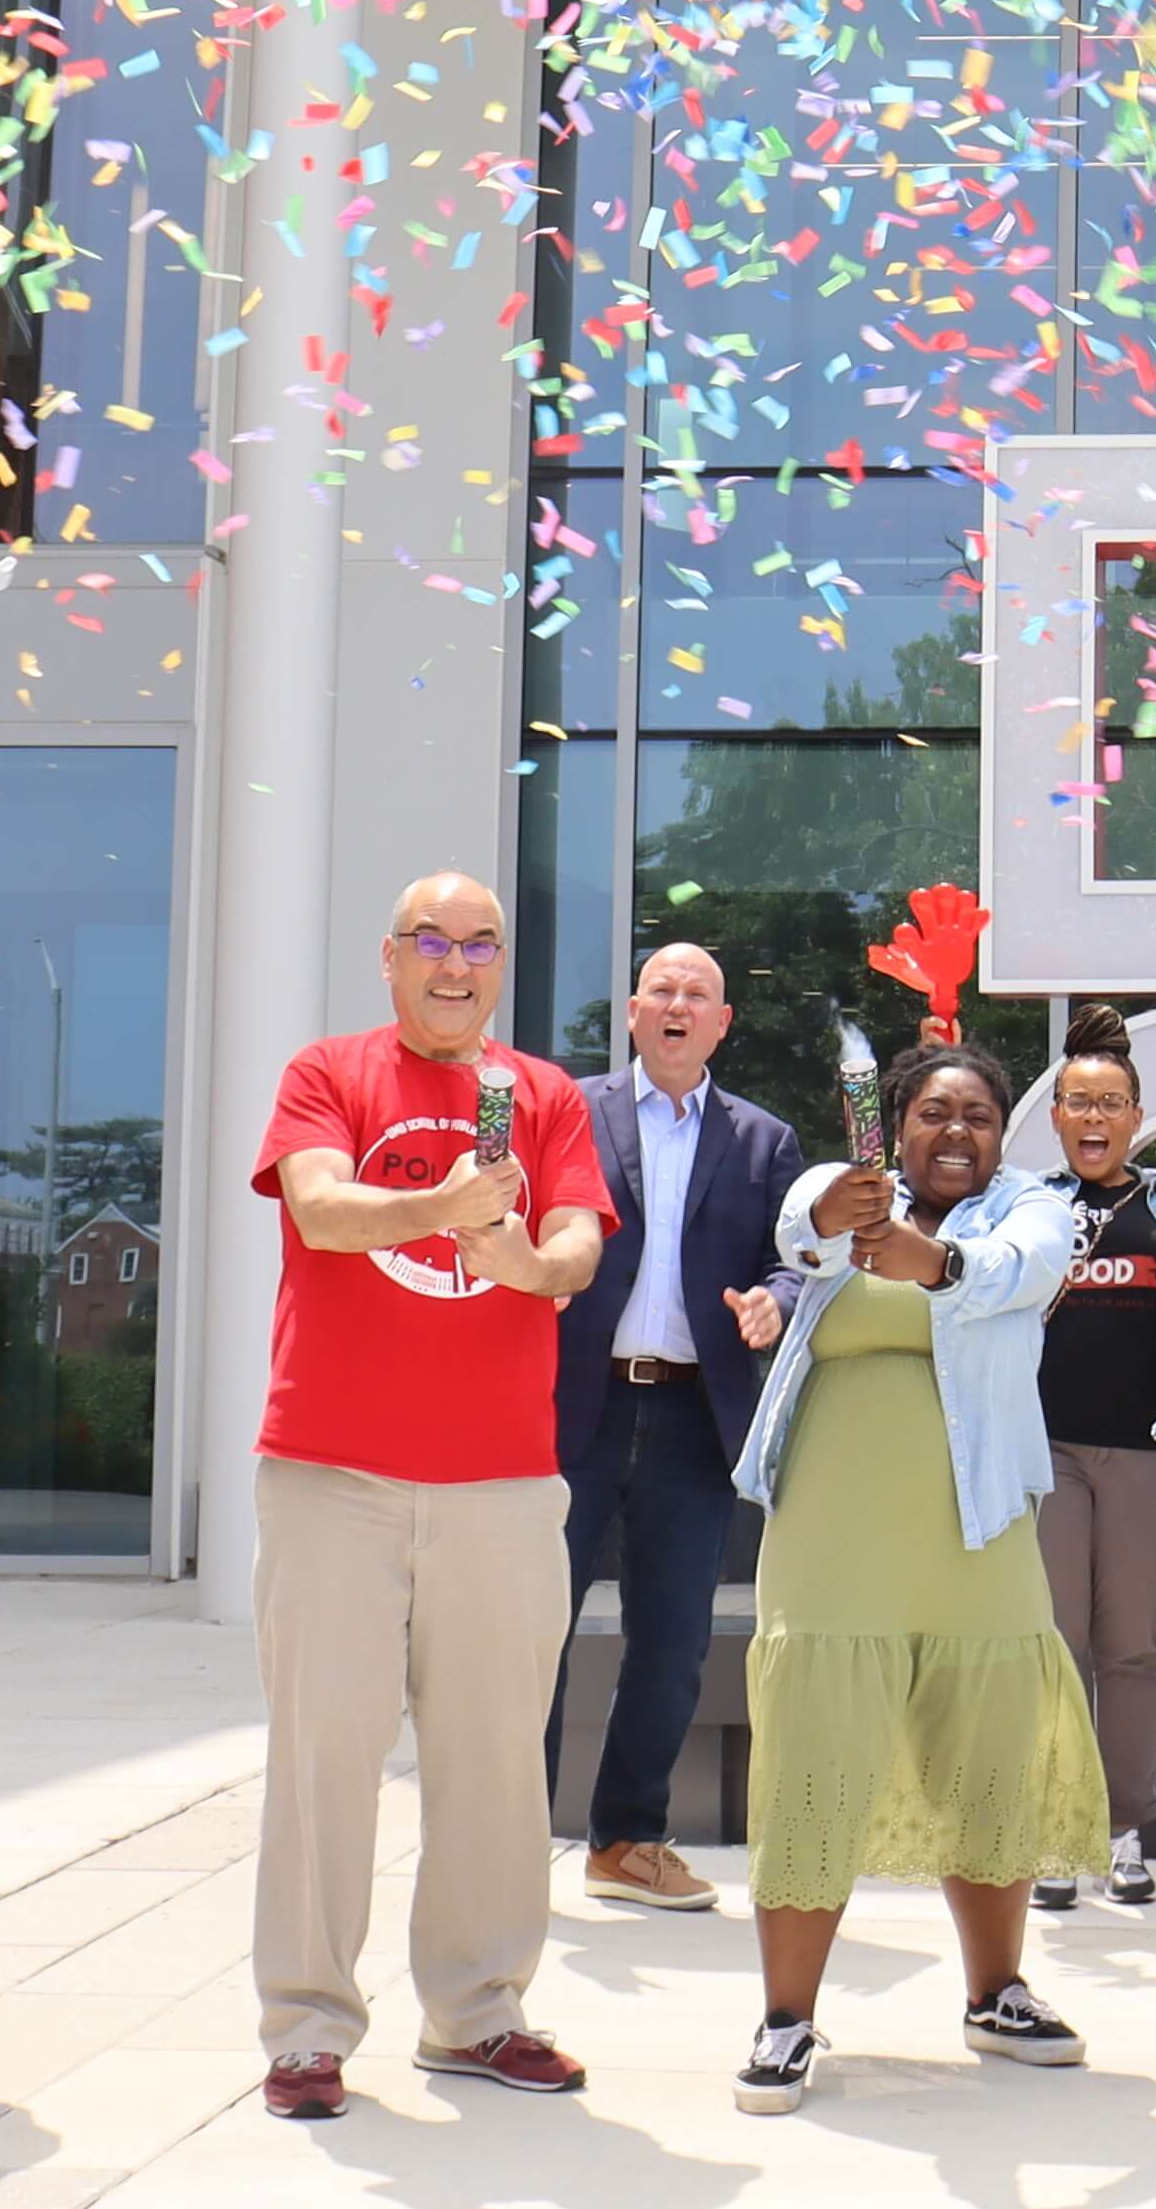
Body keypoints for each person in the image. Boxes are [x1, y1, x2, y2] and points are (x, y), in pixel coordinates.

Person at [245, 873, 613, 2121]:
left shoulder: (546, 1094)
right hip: (330, 1472)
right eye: (432, 941)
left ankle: (478, 2012)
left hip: (502, 1482)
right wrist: (441, 1209)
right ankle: (305, 2027)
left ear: (500, 965)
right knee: (322, 1754)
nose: (456, 964)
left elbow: (577, 1245)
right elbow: (321, 1207)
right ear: (390, 956)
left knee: (498, 1758)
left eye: (480, 943)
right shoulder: (327, 1072)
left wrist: (521, 1257)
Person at [727, 1042, 1111, 2112]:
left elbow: (1029, 1273)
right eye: (933, 1111)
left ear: (1003, 1132)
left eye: (979, 1114)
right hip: (832, 1534)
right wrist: (847, 1220)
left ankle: (998, 1992)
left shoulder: (1032, 1208)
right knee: (816, 1753)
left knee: (990, 1748)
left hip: (978, 1528)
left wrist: (927, 1261)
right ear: (894, 1125)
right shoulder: (844, 1195)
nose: (957, 1130)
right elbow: (798, 1230)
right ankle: (787, 2017)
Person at [554, 935, 806, 1918]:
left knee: (674, 1638)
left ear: (721, 1023)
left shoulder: (762, 1138)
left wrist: (775, 1301)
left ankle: (627, 1836)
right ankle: (511, 1831)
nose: (678, 1002)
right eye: (661, 987)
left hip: (696, 1415)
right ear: (631, 1011)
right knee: (538, 1627)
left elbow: (790, 1254)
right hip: (576, 1404)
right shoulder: (568, 1112)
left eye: (697, 992)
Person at [1026, 1006, 1156, 1917]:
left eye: (1112, 1104)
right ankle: (1058, 1829)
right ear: (1054, 1114)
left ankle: (1123, 1827)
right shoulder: (1023, 1209)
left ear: (1138, 1116)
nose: (1094, 1119)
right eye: (1077, 1102)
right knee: (1055, 1646)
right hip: (1045, 1449)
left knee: (1134, 1649)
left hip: (1151, 1452)